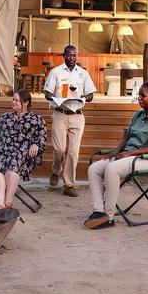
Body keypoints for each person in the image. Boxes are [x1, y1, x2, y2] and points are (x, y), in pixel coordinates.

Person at [84, 81, 148, 229]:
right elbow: (126, 136)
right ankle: (98, 211)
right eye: (139, 95)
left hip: (145, 160)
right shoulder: (138, 114)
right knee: (94, 169)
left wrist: (130, 153)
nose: (139, 98)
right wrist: (117, 151)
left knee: (112, 169)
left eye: (143, 95)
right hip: (127, 156)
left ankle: (108, 216)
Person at [43, 45, 96, 198]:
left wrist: (84, 97)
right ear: (64, 56)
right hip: (60, 113)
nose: (72, 58)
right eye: (69, 55)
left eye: (74, 55)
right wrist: (56, 98)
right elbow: (47, 93)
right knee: (59, 149)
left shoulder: (83, 73)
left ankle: (69, 184)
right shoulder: (56, 72)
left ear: (76, 56)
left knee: (73, 152)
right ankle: (56, 171)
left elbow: (91, 94)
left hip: (77, 115)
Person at [0, 89, 46, 210]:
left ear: (26, 103)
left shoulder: (36, 119)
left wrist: (36, 145)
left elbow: (42, 136)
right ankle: (0, 203)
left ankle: (8, 200)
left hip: (23, 151)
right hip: (3, 149)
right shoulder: (5, 117)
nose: (13, 102)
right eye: (13, 99)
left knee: (12, 165)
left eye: (16, 100)